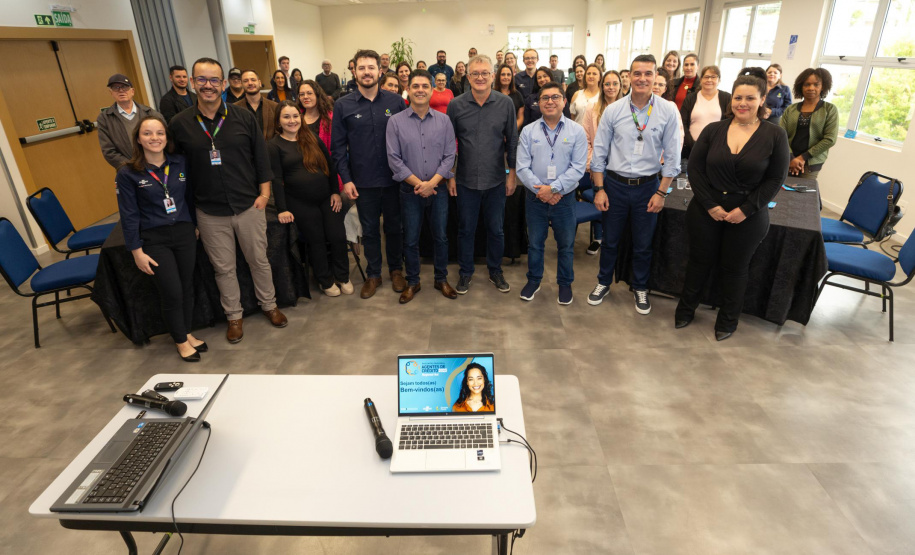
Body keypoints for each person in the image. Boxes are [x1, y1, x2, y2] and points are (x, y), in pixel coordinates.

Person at [169, 57, 286, 343]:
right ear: (194, 84)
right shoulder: (179, 124)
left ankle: (269, 305)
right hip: (209, 211)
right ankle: (234, 316)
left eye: (213, 80)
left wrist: (265, 195)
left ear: (223, 84)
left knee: (259, 260)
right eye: (201, 80)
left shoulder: (243, 117)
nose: (208, 86)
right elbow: (174, 170)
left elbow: (261, 159)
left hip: (248, 205)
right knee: (224, 268)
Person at [675, 74, 789, 341]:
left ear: (762, 100)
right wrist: (710, 205)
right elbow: (695, 169)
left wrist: (746, 210)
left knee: (735, 269)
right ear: (731, 99)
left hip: (748, 214)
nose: (743, 103)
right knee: (698, 263)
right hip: (705, 209)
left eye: (750, 98)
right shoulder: (713, 130)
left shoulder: (775, 135)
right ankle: (686, 310)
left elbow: (775, 179)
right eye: (738, 97)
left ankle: (727, 321)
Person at [588, 54, 681, 314]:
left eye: (648, 74)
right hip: (615, 186)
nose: (642, 79)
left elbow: (673, 157)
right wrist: (599, 189)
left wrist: (662, 192)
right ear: (629, 76)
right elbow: (599, 154)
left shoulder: (667, 110)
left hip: (648, 187)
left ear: (656, 77)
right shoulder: (615, 110)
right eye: (637, 73)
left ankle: (640, 287)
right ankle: (603, 282)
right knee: (610, 240)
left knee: (643, 243)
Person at [115, 115, 206, 361]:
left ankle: (186, 333)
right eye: (147, 133)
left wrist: (194, 226)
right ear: (138, 139)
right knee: (172, 291)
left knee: (186, 287)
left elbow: (189, 198)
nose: (154, 138)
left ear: (167, 138)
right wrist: (136, 251)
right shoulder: (128, 173)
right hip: (155, 239)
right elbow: (129, 215)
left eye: (159, 133)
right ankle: (180, 341)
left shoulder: (180, 163)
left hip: (185, 233)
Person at [331, 49, 407, 299]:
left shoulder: (395, 102)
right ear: (354, 71)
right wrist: (346, 179)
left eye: (371, 67)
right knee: (370, 230)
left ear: (380, 71)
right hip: (363, 182)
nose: (366, 72)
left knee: (395, 228)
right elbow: (338, 148)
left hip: (395, 179)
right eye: (361, 68)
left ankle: (396, 270)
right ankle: (374, 274)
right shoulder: (343, 105)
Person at [447, 55, 519, 295]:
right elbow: (449, 145)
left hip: (496, 179)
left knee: (496, 230)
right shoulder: (455, 105)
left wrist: (511, 175)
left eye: (484, 73)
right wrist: (450, 175)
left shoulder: (505, 103)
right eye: (475, 73)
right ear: (468, 77)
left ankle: (495, 270)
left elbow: (512, 142)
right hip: (466, 180)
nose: (480, 77)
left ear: (492, 76)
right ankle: (466, 272)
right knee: (466, 229)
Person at [386, 69, 458, 303]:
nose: (420, 90)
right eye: (415, 86)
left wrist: (433, 183)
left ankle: (441, 278)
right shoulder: (395, 122)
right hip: (410, 191)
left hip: (438, 191)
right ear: (409, 90)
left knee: (441, 237)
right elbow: (394, 159)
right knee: (411, 239)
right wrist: (420, 185)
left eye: (424, 86)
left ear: (431, 90)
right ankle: (414, 282)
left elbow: (450, 155)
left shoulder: (444, 120)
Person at [269, 101, 351, 297]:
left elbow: (330, 166)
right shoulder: (273, 146)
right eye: (286, 117)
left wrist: (334, 192)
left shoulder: (312, 137)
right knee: (317, 240)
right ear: (278, 121)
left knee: (338, 236)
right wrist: (282, 209)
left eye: (295, 116)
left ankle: (343, 276)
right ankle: (325, 280)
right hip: (300, 202)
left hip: (326, 198)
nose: (292, 120)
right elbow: (276, 180)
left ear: (301, 118)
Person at [516, 81, 587, 305]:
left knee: (565, 246)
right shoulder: (528, 131)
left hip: (564, 199)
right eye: (545, 98)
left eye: (555, 97)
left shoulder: (577, 131)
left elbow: (578, 168)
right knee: (535, 244)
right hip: (535, 198)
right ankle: (534, 280)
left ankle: (564, 284)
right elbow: (521, 167)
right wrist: (542, 191)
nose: (550, 102)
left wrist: (554, 189)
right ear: (539, 103)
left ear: (564, 102)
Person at [580, 70, 623, 256]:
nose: (611, 87)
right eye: (607, 83)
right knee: (600, 202)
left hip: (620, 168)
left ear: (620, 85)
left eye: (615, 83)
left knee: (617, 205)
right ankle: (598, 238)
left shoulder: (628, 108)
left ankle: (612, 238)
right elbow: (586, 138)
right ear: (602, 85)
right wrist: (591, 164)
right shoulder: (592, 107)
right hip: (599, 166)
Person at [780, 67, 838, 180]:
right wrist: (791, 158)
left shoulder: (829, 109)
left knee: (803, 195)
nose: (811, 88)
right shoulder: (790, 109)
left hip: (811, 162)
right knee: (781, 193)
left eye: (816, 84)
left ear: (823, 87)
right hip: (787, 159)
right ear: (801, 87)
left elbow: (830, 139)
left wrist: (802, 158)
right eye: (807, 84)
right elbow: (781, 135)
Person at [98, 73, 163, 169]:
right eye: (116, 88)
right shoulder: (105, 118)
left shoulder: (150, 113)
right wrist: (131, 167)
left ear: (132, 91)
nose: (121, 91)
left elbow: (165, 139)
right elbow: (108, 151)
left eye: (125, 87)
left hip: (156, 165)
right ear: (111, 93)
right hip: (129, 169)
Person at [680, 65, 731, 159]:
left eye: (713, 77)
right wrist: (694, 145)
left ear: (719, 80)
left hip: (717, 150)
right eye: (706, 77)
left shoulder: (727, 98)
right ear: (701, 79)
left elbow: (729, 124)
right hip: (691, 149)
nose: (709, 80)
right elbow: (682, 123)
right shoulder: (690, 98)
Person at [236, 69, 278, 141]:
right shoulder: (234, 109)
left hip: (270, 150)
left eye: (253, 80)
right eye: (245, 81)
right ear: (242, 85)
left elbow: (279, 132)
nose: (250, 83)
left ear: (259, 83)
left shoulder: (275, 107)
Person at [494, 63, 524, 130]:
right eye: (503, 74)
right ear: (498, 76)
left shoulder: (517, 95)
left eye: (508, 74)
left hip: (513, 133)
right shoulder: (491, 94)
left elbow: (520, 118)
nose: (506, 77)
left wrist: (511, 131)